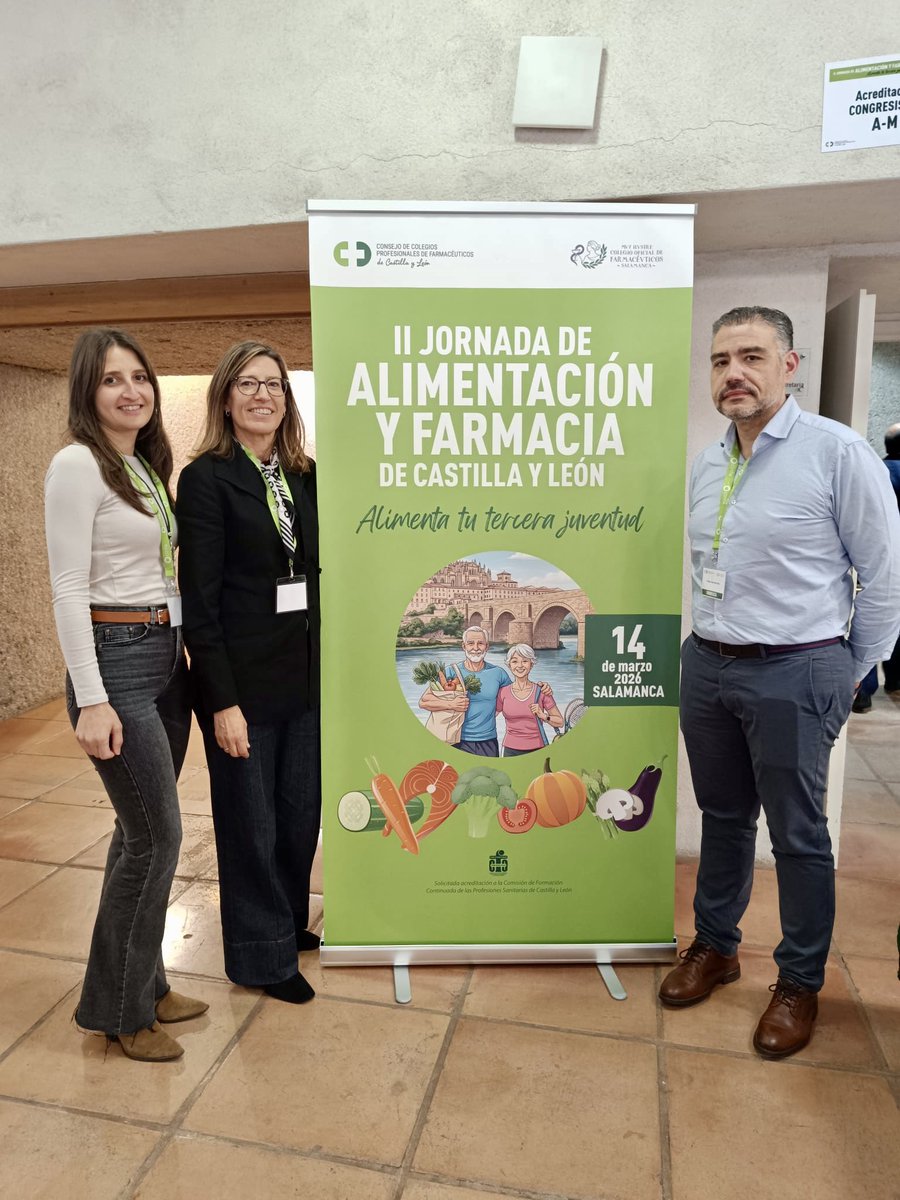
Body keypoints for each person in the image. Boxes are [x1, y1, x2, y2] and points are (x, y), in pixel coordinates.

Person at [660, 306, 900, 1059]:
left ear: (788, 365)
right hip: (708, 664)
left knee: (798, 836)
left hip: (798, 668)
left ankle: (798, 982)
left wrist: (842, 668)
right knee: (723, 817)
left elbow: (884, 577)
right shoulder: (708, 460)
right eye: (722, 358)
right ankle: (717, 946)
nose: (735, 372)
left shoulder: (838, 452)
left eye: (753, 356)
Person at [45, 328, 204, 1063]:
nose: (131, 390)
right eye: (112, 380)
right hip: (117, 668)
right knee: (157, 836)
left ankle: (148, 980)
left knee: (136, 832)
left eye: (139, 377)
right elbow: (70, 588)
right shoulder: (77, 465)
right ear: (88, 390)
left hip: (163, 660)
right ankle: (117, 1010)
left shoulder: (140, 466)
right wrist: (93, 695)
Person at [177, 341, 320, 1005]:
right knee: (251, 823)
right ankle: (261, 959)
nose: (263, 395)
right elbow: (200, 605)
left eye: (274, 385)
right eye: (248, 384)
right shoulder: (206, 479)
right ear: (226, 399)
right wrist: (221, 702)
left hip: (303, 676)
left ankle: (288, 923)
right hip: (242, 683)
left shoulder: (304, 474)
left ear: (287, 400)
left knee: (298, 814)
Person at [851, 421, 900, 712]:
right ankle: (895, 681)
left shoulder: (878, 471)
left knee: (869, 615)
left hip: (876, 559)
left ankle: (865, 691)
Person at [419, 626, 511, 755]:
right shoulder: (450, 672)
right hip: (454, 740)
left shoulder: (498, 673)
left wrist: (541, 689)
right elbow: (424, 702)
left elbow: (514, 697)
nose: (475, 648)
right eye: (470, 643)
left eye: (480, 643)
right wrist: (451, 704)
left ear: (487, 646)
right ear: (464, 647)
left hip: (487, 741)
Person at [496, 644, 563, 755]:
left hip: (537, 749)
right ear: (509, 665)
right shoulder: (503, 692)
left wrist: (543, 716)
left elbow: (560, 722)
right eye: (514, 661)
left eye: (525, 661)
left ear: (531, 665)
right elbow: (489, 717)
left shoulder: (541, 691)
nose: (520, 666)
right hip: (510, 750)